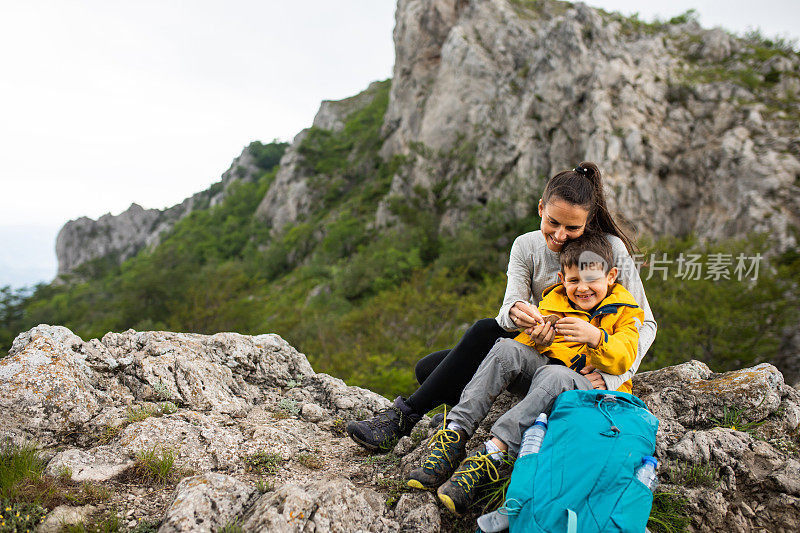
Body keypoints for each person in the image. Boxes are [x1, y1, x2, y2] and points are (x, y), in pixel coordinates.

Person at [346, 162, 657, 453]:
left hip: (586, 362)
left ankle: (403, 417)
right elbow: (508, 308)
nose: (560, 235)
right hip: (536, 347)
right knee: (430, 367)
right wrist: (518, 312)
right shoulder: (525, 245)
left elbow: (645, 323)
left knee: (439, 372)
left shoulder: (609, 249)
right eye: (553, 222)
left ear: (588, 221)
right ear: (540, 208)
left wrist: (614, 377)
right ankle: (429, 410)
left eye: (572, 228)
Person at [406, 231, 645, 515]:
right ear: (562, 279)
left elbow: (626, 355)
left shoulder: (624, 311)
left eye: (592, 279)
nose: (583, 288)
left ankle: (490, 456)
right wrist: (537, 338)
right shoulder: (554, 301)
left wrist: (597, 338)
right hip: (545, 379)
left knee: (554, 375)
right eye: (573, 280)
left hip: (587, 393)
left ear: (611, 276)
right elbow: (520, 353)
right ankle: (455, 434)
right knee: (506, 348)